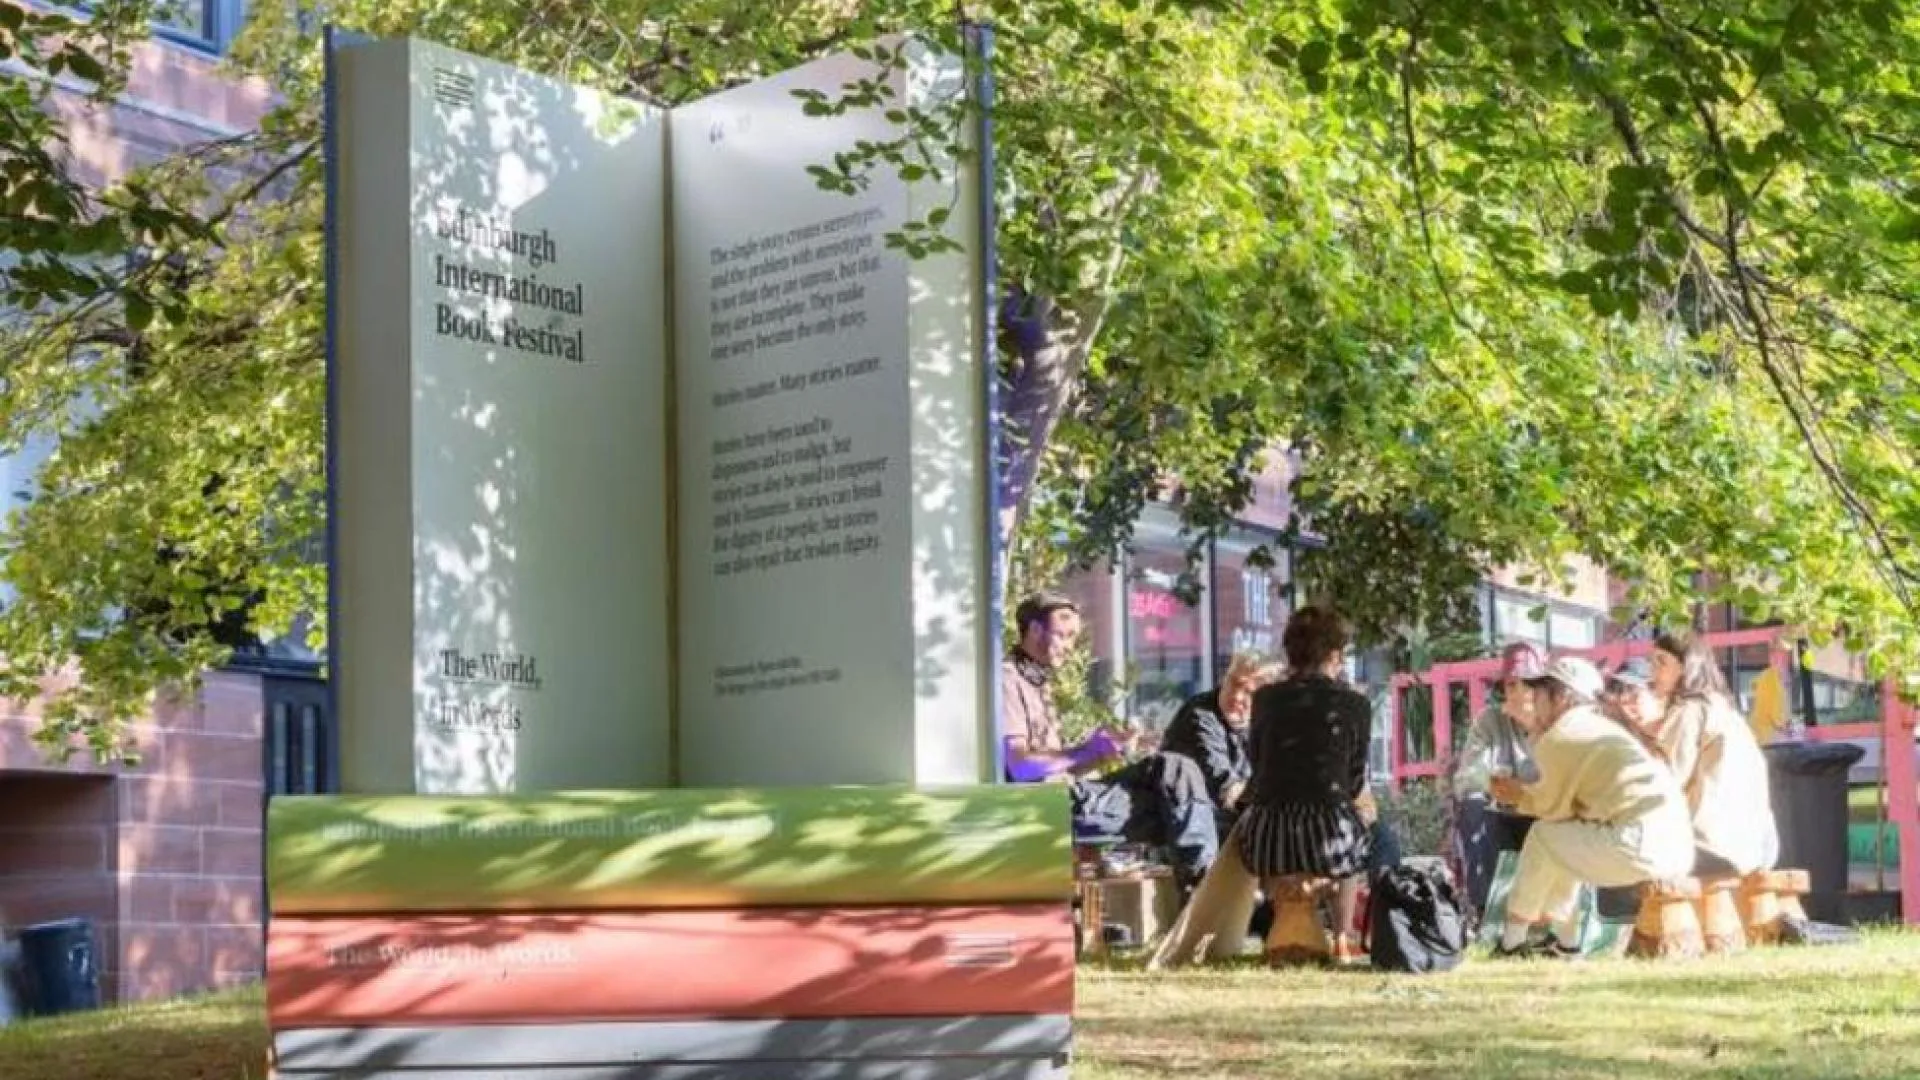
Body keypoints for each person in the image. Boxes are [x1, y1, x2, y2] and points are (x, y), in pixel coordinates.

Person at [1001, 591, 1219, 893]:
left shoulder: (1041, 683)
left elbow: (1060, 765)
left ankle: (1203, 885)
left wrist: (1104, 752)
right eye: (1063, 636)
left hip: (1068, 795)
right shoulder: (1008, 679)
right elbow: (1021, 766)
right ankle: (1206, 889)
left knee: (1175, 771)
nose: (1070, 647)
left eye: (1074, 638)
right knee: (1174, 803)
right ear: (1035, 629)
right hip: (1048, 804)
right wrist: (1084, 750)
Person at [1488, 657, 1694, 958]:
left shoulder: (1562, 736)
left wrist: (1517, 794)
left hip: (1640, 847)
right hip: (1676, 849)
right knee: (1563, 837)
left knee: (1544, 834)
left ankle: (1512, 942)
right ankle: (1565, 943)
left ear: (1561, 696)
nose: (1534, 702)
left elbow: (1550, 809)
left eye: (1539, 694)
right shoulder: (1603, 726)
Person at [1236, 605, 1375, 965]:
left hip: (1267, 840)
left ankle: (1281, 919)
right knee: (1360, 817)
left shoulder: (1264, 699)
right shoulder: (1355, 704)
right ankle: (1343, 935)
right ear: (1334, 653)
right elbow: (1353, 780)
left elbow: (1259, 764)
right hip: (1330, 842)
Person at [1644, 631, 1781, 877]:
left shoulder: (1690, 710)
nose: (1652, 672)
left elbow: (1663, 783)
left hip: (1711, 845)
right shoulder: (1725, 711)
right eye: (1651, 662)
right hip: (1755, 849)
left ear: (1686, 667)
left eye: (1661, 662)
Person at [1446, 642, 1548, 916]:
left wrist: (1533, 727)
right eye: (1511, 684)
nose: (1519, 693)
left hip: (1544, 813)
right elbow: (1467, 778)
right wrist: (1491, 783)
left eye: (1527, 684)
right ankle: (1485, 911)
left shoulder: (1555, 722)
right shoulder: (1490, 721)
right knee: (1473, 806)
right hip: (1500, 813)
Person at [1158, 651, 1279, 835]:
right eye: (1234, 683)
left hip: (1232, 829)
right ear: (1224, 677)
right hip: (1192, 834)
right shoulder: (1199, 716)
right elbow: (1226, 788)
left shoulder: (1263, 722)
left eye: (1249, 692)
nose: (1237, 696)